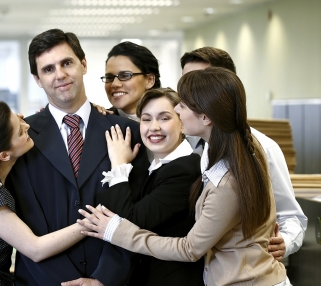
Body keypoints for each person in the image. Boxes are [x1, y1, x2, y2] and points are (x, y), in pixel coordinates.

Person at [79, 67, 289, 286]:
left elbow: (189, 248)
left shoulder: (223, 178)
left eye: (182, 106)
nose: (178, 109)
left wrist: (115, 229)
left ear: (206, 116)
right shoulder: (234, 150)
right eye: (146, 119)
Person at [6, 29, 150, 286]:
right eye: (48, 69)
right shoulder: (20, 138)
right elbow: (25, 222)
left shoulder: (127, 132)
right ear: (37, 79)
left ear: (83, 64)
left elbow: (134, 214)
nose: (60, 74)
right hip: (42, 280)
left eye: (67, 63)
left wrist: (105, 278)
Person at [180, 46, 307, 260]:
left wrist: (285, 241)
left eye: (201, 82)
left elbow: (290, 215)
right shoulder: (193, 141)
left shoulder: (261, 148)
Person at [0, 101, 88, 285]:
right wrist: (91, 225)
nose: (27, 125)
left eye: (19, 119)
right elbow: (35, 249)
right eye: (20, 131)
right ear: (4, 155)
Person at [96, 88, 203, 286]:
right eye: (146, 119)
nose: (154, 127)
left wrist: (118, 164)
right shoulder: (155, 166)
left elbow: (130, 223)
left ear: (182, 123)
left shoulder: (186, 169)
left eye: (164, 118)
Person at [102, 41, 161, 121]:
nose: (115, 84)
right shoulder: (99, 123)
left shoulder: (176, 120)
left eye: (125, 75)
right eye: (109, 77)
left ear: (149, 80)